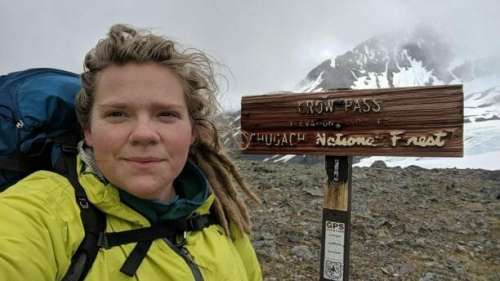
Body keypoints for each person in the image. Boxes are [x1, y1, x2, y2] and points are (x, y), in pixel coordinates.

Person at [0, 24, 262, 281]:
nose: (144, 134)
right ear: (88, 130)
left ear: (193, 131)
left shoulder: (223, 222)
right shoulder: (40, 212)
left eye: (166, 114)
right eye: (117, 114)